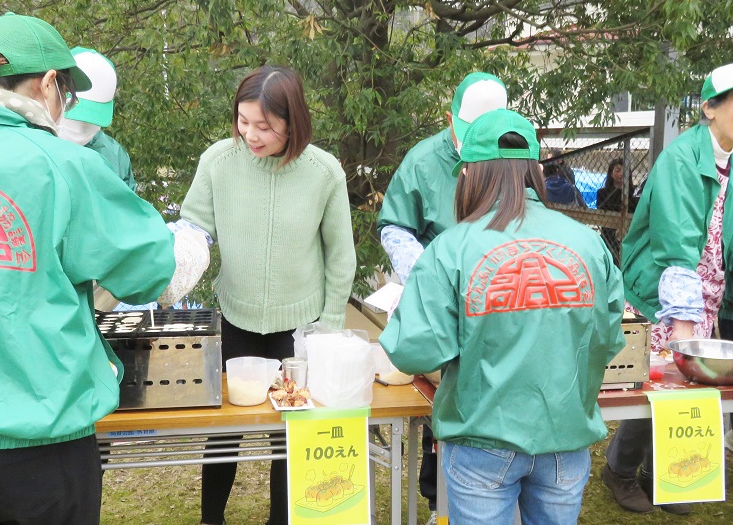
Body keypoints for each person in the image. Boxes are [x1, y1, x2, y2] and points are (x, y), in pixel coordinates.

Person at [0, 12, 176, 524]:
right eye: (66, 93)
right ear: (48, 85)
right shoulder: (62, 164)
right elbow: (152, 269)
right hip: (41, 448)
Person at [379, 109, 625, 525]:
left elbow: (411, 351)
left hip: (481, 438)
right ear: (534, 170)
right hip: (566, 435)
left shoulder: (449, 249)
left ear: (470, 174)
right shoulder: (588, 243)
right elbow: (610, 334)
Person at [171, 66, 356, 525]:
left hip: (300, 328)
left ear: (293, 123)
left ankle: (284, 520)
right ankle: (210, 519)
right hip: (236, 317)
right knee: (224, 433)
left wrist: (327, 328)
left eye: (265, 126)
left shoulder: (324, 172)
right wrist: (171, 272)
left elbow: (341, 257)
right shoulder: (217, 161)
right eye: (243, 120)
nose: (250, 134)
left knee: (292, 437)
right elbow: (191, 230)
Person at [602, 63, 733, 515]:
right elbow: (677, 246)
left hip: (708, 299)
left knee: (692, 392)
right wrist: (683, 326)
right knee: (655, 387)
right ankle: (618, 471)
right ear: (709, 109)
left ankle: (663, 476)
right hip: (664, 297)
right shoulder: (681, 158)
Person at [376, 71, 507, 518]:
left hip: (500, 298)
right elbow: (394, 225)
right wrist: (425, 271)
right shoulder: (422, 160)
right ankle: (439, 500)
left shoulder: (513, 152)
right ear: (451, 118)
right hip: (442, 294)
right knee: (442, 394)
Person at [60, 47, 136, 191]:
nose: (81, 126)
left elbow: (128, 209)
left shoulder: (115, 156)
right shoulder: (29, 142)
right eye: (75, 117)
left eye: (90, 119)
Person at [596, 157, 637, 265]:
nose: (621, 174)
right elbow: (601, 214)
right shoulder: (602, 193)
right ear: (611, 174)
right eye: (618, 170)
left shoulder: (634, 193)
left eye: (625, 170)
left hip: (628, 233)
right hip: (608, 234)